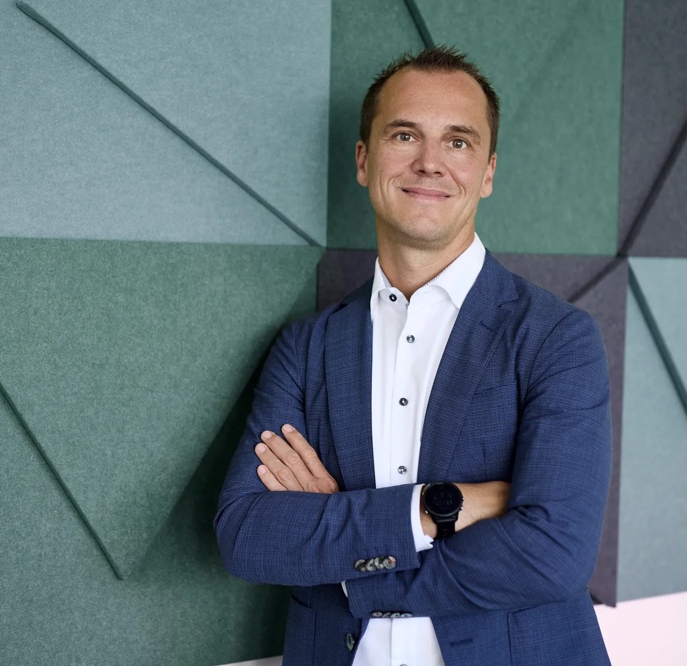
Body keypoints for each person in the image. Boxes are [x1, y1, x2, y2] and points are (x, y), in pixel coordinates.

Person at [215, 45, 612, 666]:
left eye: (458, 142)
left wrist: (350, 561)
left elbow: (552, 552)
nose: (430, 163)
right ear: (364, 160)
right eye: (405, 135)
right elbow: (247, 536)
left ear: (487, 172)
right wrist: (436, 508)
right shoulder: (306, 347)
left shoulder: (556, 338)